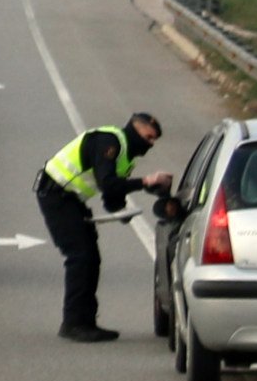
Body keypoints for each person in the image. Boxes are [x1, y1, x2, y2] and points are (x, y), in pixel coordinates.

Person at [34, 110, 171, 342]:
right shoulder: (110, 142)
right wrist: (144, 181)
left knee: (92, 258)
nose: (150, 145)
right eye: (148, 138)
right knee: (80, 257)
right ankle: (73, 323)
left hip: (72, 200)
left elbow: (112, 197)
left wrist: (125, 208)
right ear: (135, 131)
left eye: (154, 140)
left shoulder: (125, 157)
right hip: (55, 195)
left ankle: (86, 322)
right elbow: (106, 183)